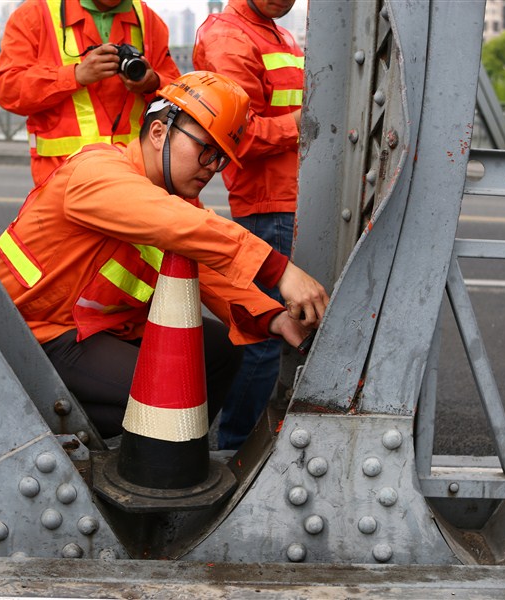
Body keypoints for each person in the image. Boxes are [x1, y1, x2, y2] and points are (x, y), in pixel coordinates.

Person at [0, 71, 329, 440]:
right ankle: (129, 455)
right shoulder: (97, 172)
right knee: (172, 390)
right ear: (158, 133)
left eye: (220, 159)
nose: (212, 167)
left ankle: (172, 458)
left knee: (221, 350)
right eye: (205, 149)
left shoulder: (171, 200)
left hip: (92, 330)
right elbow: (182, 226)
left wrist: (273, 317)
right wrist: (280, 271)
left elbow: (208, 270)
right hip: (34, 334)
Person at [192, 0, 304, 450]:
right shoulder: (228, 36)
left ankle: (245, 443)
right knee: (264, 336)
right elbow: (239, 133)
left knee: (281, 330)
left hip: (292, 197)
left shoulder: (279, 33)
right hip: (269, 203)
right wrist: (303, 125)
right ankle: (234, 447)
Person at [0, 0, 181, 186]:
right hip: (63, 178)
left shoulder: (148, 19)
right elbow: (7, 89)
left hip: (137, 175)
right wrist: (74, 75)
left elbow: (178, 93)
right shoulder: (34, 14)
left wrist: (153, 83)